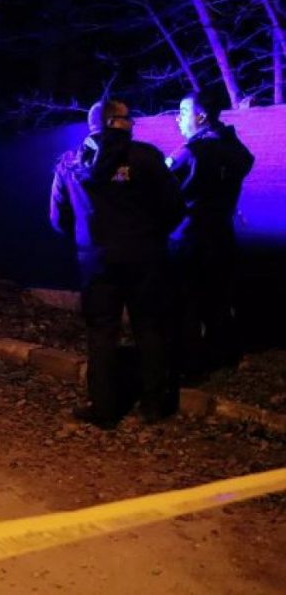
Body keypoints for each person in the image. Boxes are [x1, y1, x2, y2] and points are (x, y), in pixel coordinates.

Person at [50, 99, 184, 428]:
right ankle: (154, 404)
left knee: (101, 330)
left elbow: (58, 218)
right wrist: (152, 235)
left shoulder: (69, 163)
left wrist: (87, 240)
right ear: (114, 121)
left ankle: (104, 407)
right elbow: (174, 206)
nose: (133, 122)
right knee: (149, 326)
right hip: (145, 257)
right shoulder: (147, 158)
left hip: (96, 262)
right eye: (128, 117)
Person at [168, 88, 254, 381]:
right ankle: (225, 356)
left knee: (186, 301)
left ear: (201, 116)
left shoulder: (189, 153)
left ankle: (192, 366)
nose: (178, 119)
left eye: (183, 112)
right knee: (217, 297)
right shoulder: (234, 150)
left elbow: (162, 188)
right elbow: (244, 161)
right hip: (221, 234)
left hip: (189, 237)